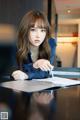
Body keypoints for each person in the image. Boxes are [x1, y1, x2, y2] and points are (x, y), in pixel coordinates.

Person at [12, 10, 56, 80]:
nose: (38, 36)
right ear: (25, 30)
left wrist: (27, 75)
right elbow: (14, 70)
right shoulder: (15, 44)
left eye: (42, 30)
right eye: (33, 30)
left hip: (42, 88)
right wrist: (35, 65)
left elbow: (46, 72)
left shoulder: (51, 43)